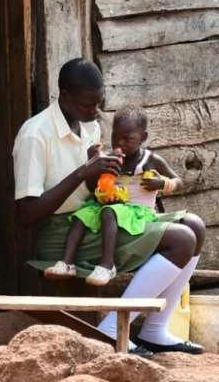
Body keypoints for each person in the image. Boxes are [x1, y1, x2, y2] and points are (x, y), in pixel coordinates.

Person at [13, 58, 206, 356]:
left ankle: (155, 330)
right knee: (182, 239)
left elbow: (93, 189)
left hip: (96, 219)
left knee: (195, 226)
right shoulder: (35, 134)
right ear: (64, 96)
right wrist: (83, 173)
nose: (96, 113)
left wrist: (109, 181)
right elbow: (26, 215)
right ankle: (113, 329)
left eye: (99, 104)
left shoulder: (88, 128)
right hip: (62, 233)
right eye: (88, 105)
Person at [44, 104, 184, 287]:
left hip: (138, 211)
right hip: (110, 206)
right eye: (115, 137)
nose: (120, 143)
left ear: (143, 137)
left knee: (109, 211)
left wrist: (163, 184)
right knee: (81, 215)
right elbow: (94, 186)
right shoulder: (110, 158)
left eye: (127, 138)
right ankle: (67, 263)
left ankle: (107, 265)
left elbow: (179, 182)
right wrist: (92, 164)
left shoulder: (150, 161)